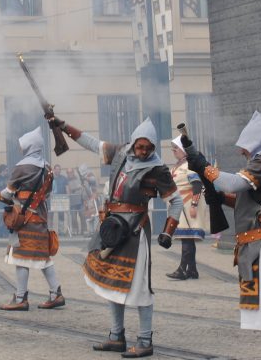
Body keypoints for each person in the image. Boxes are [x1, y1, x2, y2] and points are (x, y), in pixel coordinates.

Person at [50, 115, 182, 358]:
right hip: (112, 228)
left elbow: (175, 200)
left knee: (140, 287)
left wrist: (168, 232)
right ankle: (116, 336)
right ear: (133, 143)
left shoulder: (158, 169)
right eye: (140, 146)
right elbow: (92, 143)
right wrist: (63, 126)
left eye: (148, 147)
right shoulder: (121, 152)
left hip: (135, 231)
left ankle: (145, 340)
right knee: (111, 282)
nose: (143, 152)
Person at [184, 111, 261, 360]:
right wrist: (220, 198)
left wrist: (203, 166)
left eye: (245, 147)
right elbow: (248, 201)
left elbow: (232, 183)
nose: (243, 153)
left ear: (256, 143)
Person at [0, 127, 65, 311]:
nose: (20, 148)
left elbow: (8, 193)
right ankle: (56, 293)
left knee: (19, 257)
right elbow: (48, 194)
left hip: (25, 218)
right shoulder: (48, 167)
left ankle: (20, 298)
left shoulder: (22, 167)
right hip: (40, 216)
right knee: (43, 257)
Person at [166, 136, 209, 280]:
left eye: (176, 148)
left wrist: (194, 205)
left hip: (188, 205)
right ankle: (192, 270)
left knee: (186, 238)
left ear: (184, 150)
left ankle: (182, 270)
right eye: (173, 148)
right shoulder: (178, 165)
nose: (173, 151)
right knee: (188, 239)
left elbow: (197, 185)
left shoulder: (191, 165)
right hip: (181, 206)